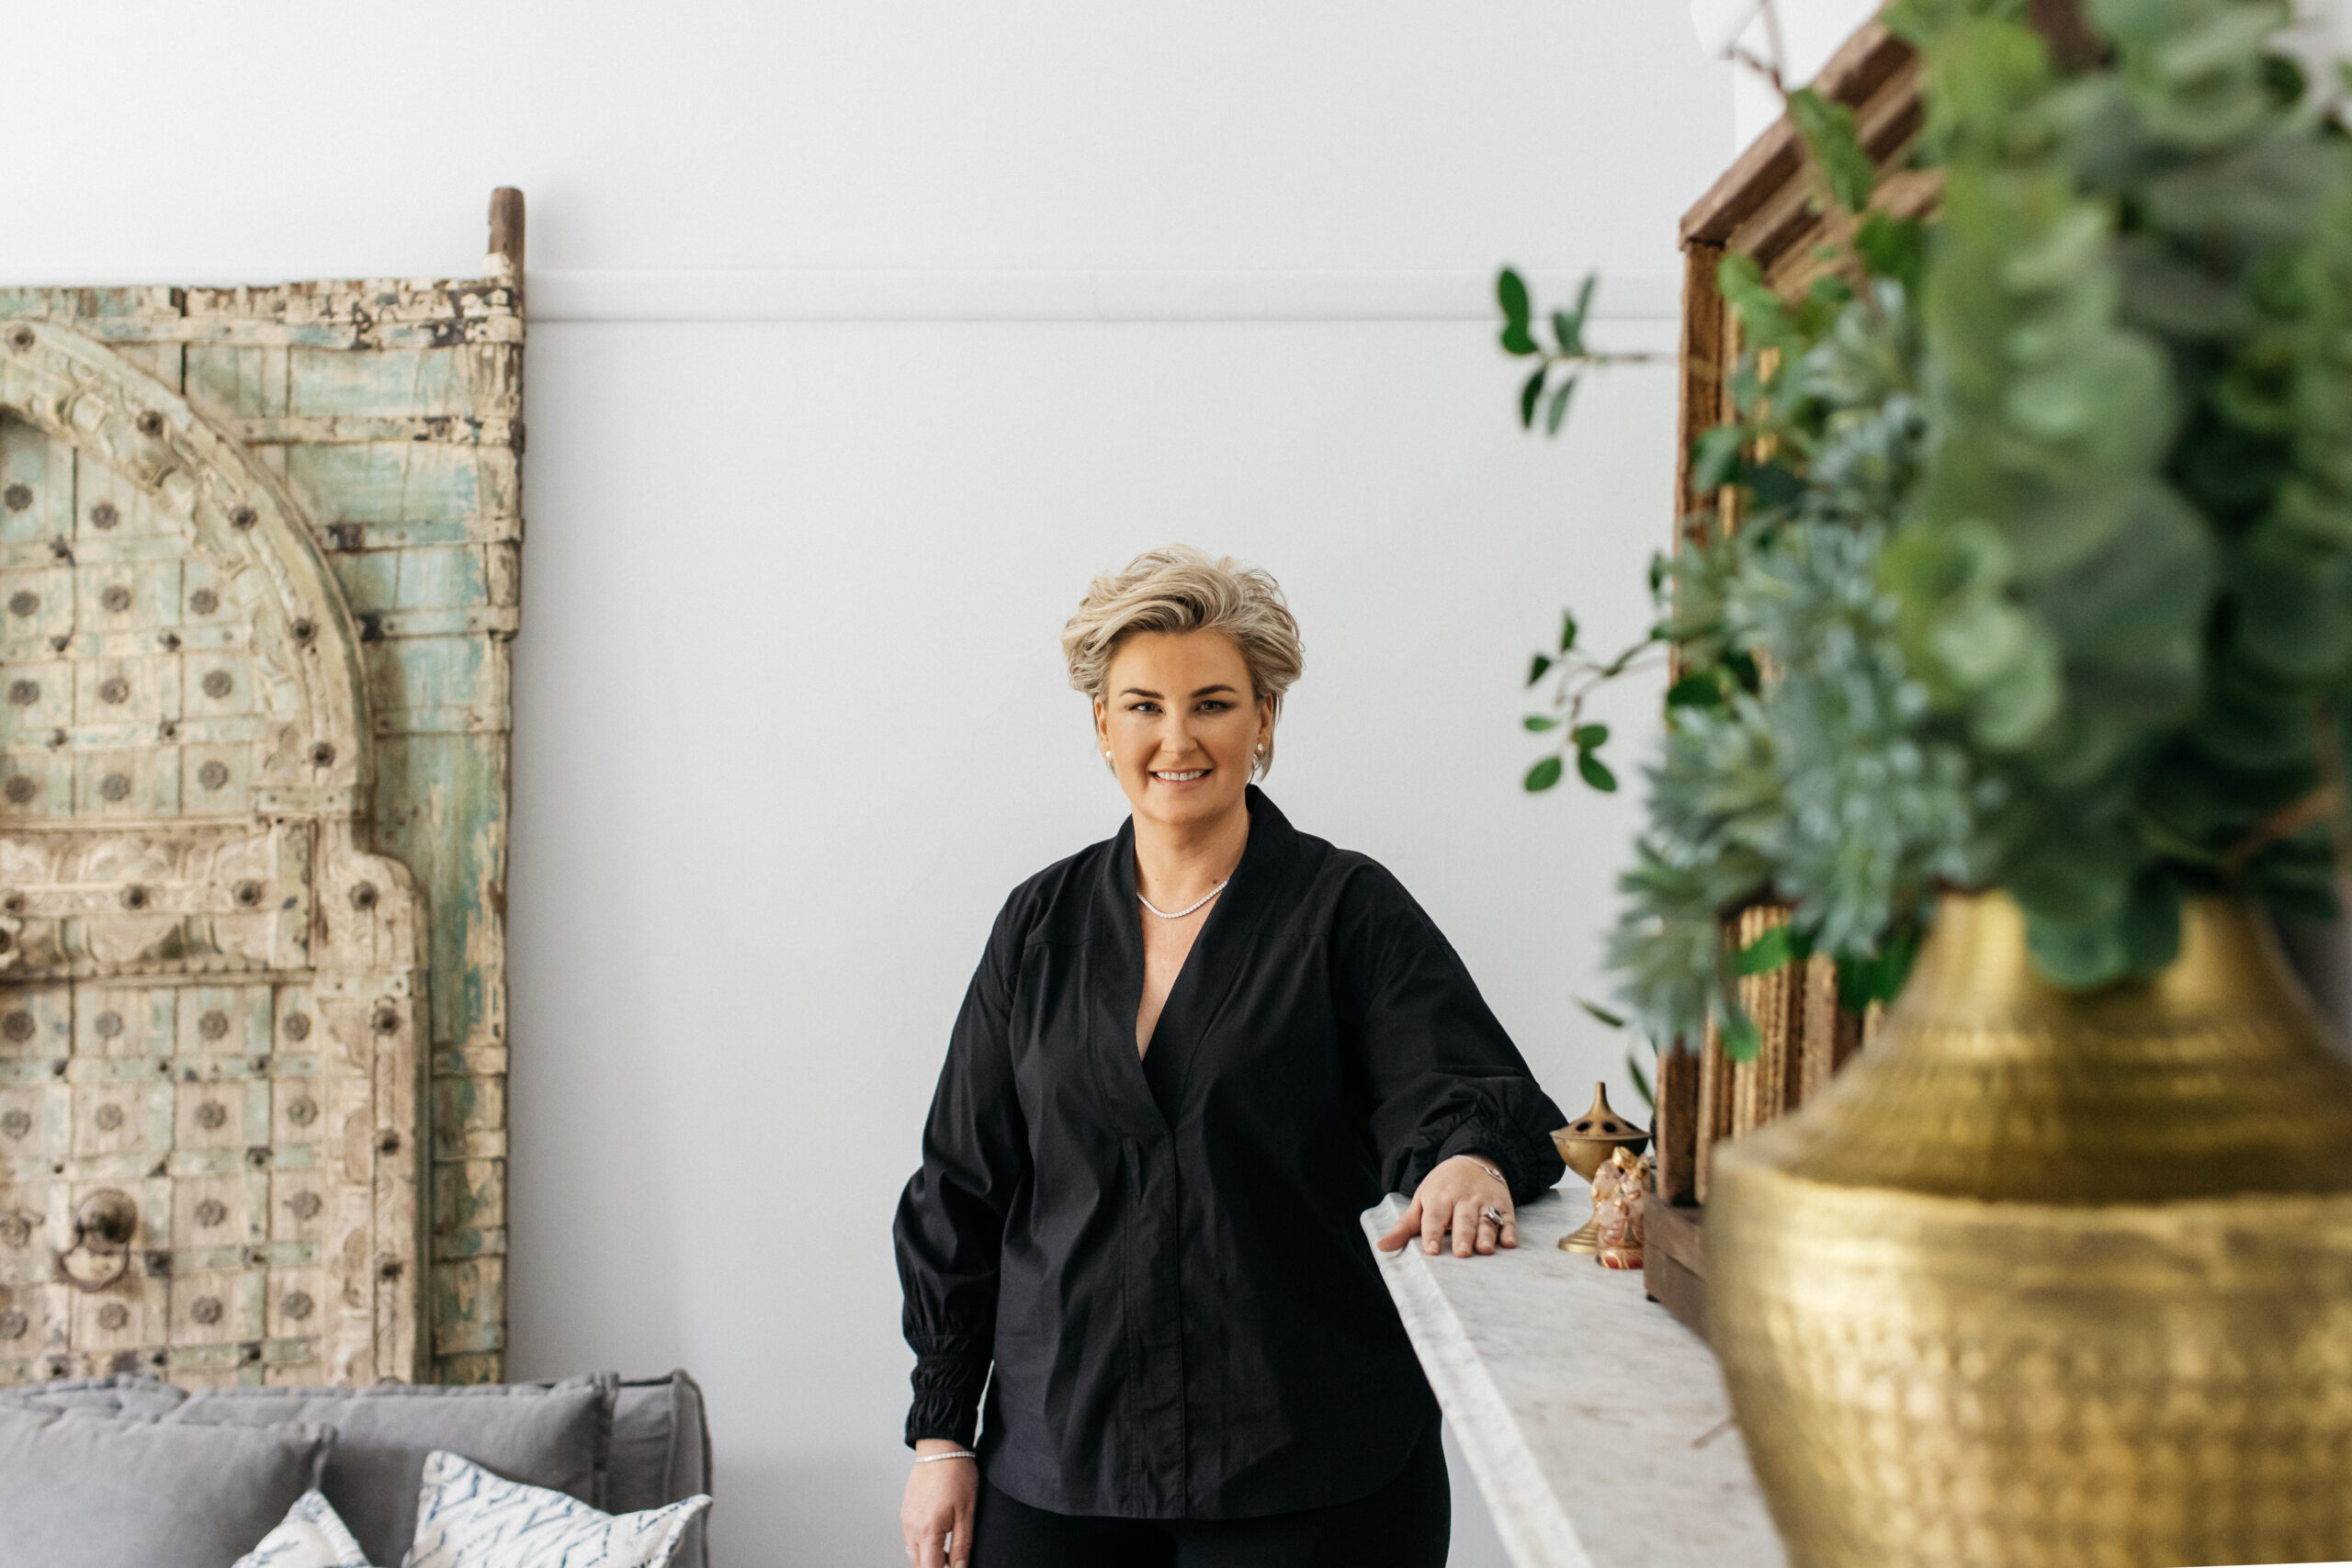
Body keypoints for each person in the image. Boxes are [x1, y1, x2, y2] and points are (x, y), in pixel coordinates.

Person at [894, 545, 1567, 1568]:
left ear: (1264, 720)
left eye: (1211, 703)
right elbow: (960, 1187)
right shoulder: (1037, 927)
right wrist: (942, 1433)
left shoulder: (1346, 911)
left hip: (1308, 1463)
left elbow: (1469, 1095)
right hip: (1062, 1458)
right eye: (1143, 706)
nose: (1177, 738)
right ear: (1102, 724)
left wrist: (1468, 1160)